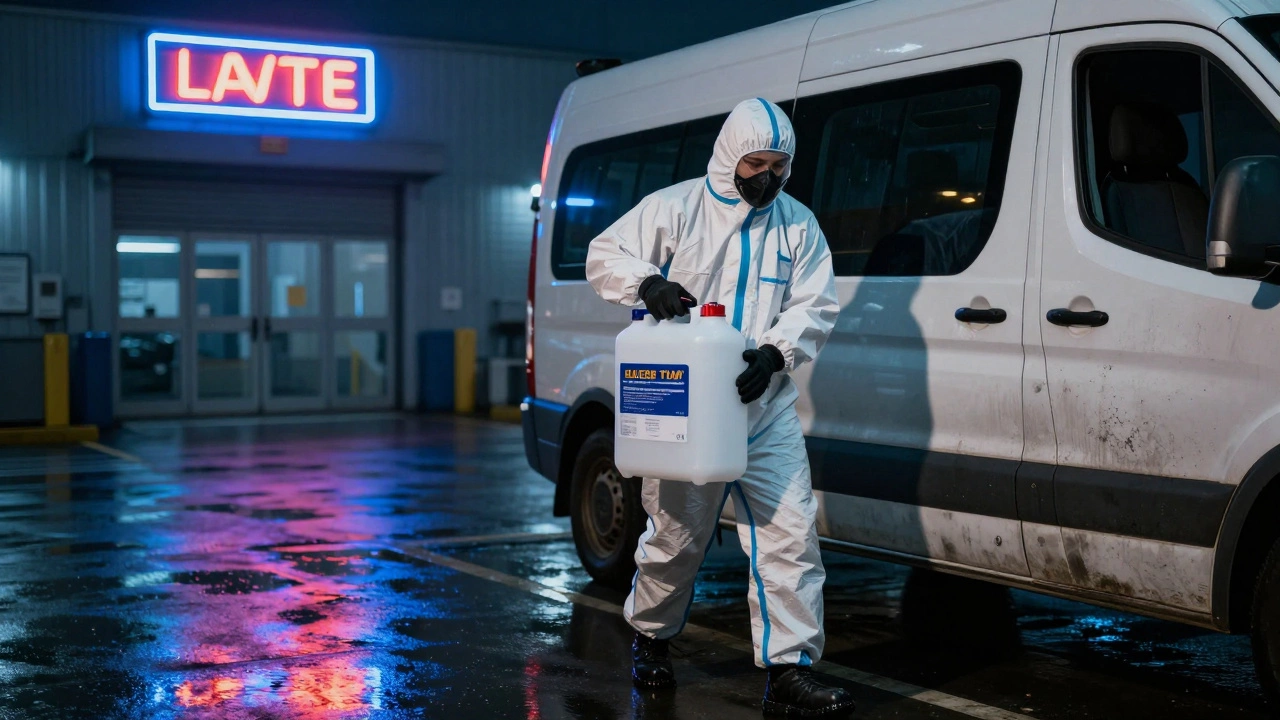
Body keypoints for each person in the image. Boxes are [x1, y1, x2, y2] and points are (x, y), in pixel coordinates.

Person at [585, 98, 849, 717]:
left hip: (764, 408)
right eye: (757, 163)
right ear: (731, 154)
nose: (769, 177)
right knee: (676, 536)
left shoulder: (797, 224)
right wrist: (647, 284)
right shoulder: (677, 208)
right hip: (690, 412)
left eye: (779, 166)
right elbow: (605, 254)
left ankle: (790, 671)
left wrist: (777, 354)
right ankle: (651, 636)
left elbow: (815, 304)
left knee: (790, 537)